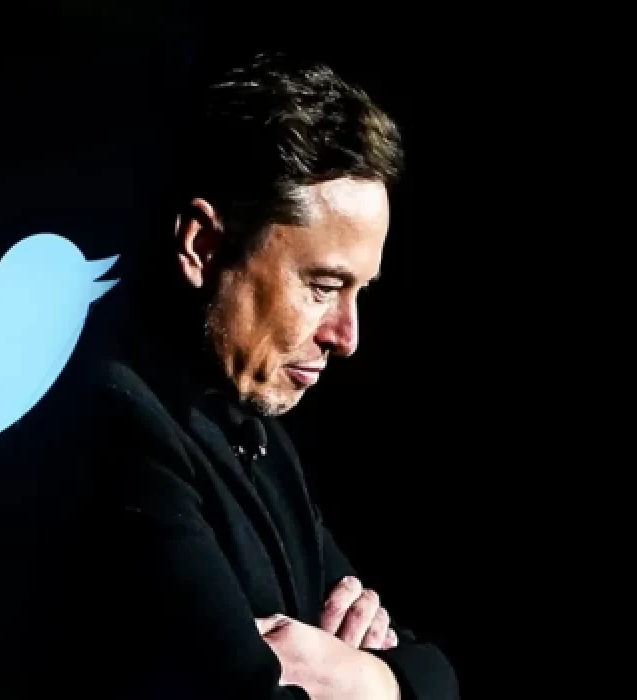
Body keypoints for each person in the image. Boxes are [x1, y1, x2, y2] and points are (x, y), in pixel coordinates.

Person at [58, 52, 461, 699]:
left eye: (359, 291)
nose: (346, 338)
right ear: (203, 246)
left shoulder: (255, 434)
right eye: (323, 287)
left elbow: (431, 671)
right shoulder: (116, 428)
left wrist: (368, 679)